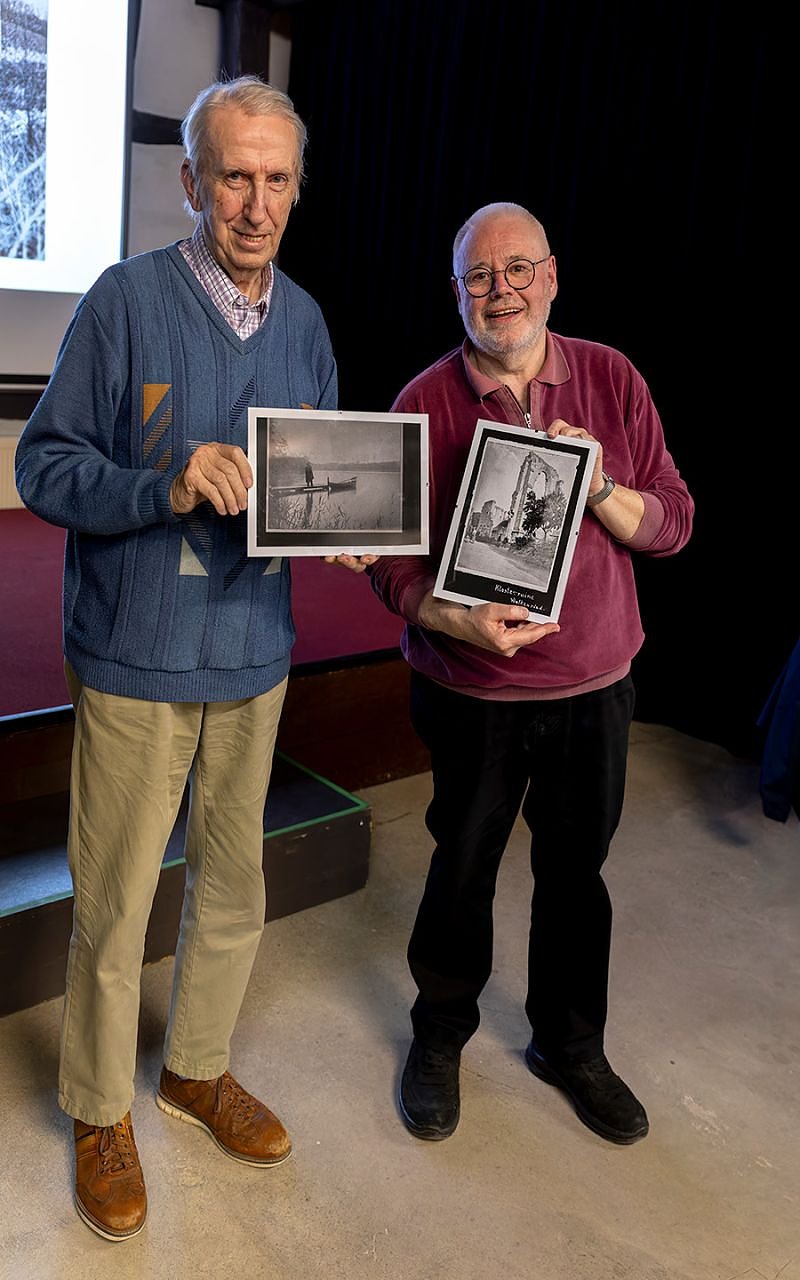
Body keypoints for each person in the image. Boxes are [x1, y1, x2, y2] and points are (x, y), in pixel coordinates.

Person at [15, 76, 366, 1242]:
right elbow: (43, 467)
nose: (255, 205)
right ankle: (98, 1105)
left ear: (296, 189)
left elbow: (313, 479)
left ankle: (195, 1067)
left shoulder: (306, 322)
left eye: (276, 180)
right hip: (134, 656)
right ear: (190, 181)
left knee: (232, 882)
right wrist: (161, 486)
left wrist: (343, 527)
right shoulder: (122, 302)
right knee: (116, 901)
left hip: (255, 651)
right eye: (233, 177)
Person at [369, 202, 694, 1146]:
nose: (500, 289)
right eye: (479, 275)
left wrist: (601, 487)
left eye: (518, 270)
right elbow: (389, 564)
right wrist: (449, 615)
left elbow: (674, 522)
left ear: (551, 277)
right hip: (471, 692)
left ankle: (570, 1044)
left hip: (594, 688)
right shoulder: (421, 402)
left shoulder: (612, 377)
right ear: (457, 292)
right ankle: (440, 1036)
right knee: (461, 868)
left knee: (576, 876)